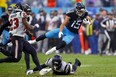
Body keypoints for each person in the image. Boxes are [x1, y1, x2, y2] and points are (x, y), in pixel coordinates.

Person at [0, 2, 44, 74]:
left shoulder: (11, 15)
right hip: (17, 38)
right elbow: (29, 27)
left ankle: (41, 70)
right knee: (15, 58)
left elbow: (3, 25)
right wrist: (35, 26)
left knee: (33, 51)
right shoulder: (22, 14)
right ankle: (1, 51)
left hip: (20, 38)